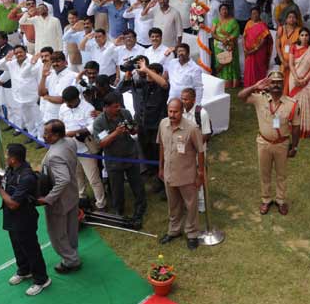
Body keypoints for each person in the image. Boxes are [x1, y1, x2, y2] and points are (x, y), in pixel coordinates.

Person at [0, 143, 51, 297]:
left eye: (7, 155)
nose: (5, 157)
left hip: (24, 218)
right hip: (12, 218)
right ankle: (24, 270)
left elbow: (13, 204)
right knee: (17, 245)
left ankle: (41, 280)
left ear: (13, 159)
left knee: (31, 249)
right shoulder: (12, 170)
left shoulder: (27, 177)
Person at [237, 70, 300, 215]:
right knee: (264, 172)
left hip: (281, 144)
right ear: (268, 84)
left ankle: (281, 200)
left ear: (283, 84)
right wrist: (254, 87)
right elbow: (240, 96)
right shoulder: (260, 98)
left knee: (281, 174)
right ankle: (266, 199)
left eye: (279, 82)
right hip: (263, 143)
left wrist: (294, 147)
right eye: (273, 82)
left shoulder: (292, 104)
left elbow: (296, 127)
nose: (276, 85)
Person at [157, 98, 206, 250]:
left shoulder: (191, 128)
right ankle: (174, 230)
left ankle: (192, 234)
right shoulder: (163, 124)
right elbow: (162, 147)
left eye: (175, 111)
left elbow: (200, 151)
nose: (172, 114)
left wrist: (200, 173)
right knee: (173, 205)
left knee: (191, 205)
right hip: (169, 174)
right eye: (170, 111)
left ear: (182, 111)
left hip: (186, 175)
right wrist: (160, 168)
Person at [93, 92, 147, 227]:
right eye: (115, 107)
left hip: (130, 154)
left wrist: (132, 129)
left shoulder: (125, 113)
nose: (118, 109)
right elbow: (101, 143)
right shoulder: (99, 122)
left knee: (137, 183)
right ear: (106, 107)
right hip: (113, 159)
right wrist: (116, 133)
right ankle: (119, 210)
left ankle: (141, 205)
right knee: (116, 187)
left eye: (119, 106)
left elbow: (135, 130)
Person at [37, 120, 82, 274]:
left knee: (56, 234)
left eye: (46, 133)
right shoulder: (69, 142)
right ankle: (73, 252)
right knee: (71, 229)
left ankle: (70, 260)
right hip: (72, 195)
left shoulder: (54, 156)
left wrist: (48, 198)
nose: (44, 135)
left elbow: (63, 179)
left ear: (56, 135)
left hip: (59, 202)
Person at [57, 86, 106, 211]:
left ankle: (101, 204)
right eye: (66, 102)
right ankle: (81, 199)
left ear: (76, 99)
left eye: (69, 102)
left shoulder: (88, 108)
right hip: (70, 149)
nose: (67, 105)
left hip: (86, 149)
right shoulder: (63, 108)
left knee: (93, 179)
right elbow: (61, 124)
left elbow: (92, 127)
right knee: (77, 176)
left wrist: (75, 132)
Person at [0, 46, 43, 137]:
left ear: (25, 52)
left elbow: (32, 76)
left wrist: (40, 94)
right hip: (19, 97)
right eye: (16, 53)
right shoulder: (12, 64)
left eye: (20, 52)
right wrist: (5, 59)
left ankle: (41, 138)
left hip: (33, 96)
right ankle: (32, 135)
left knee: (38, 118)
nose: (19, 54)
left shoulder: (33, 62)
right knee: (27, 118)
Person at [212, 3, 241, 88]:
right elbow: (213, 33)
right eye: (222, 9)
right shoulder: (216, 20)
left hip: (230, 45)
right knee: (221, 61)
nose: (224, 11)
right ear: (219, 11)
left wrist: (227, 40)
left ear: (228, 11)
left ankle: (233, 84)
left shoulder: (233, 21)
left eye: (226, 9)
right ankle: (221, 83)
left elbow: (236, 33)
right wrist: (221, 40)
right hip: (219, 46)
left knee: (231, 63)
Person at [242, 6, 273, 88]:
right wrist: (245, 48)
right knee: (249, 69)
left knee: (258, 69)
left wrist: (255, 49)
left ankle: (259, 87)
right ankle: (248, 86)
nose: (254, 15)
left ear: (259, 14)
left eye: (256, 13)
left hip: (259, 52)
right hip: (248, 52)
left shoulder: (263, 25)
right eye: (252, 14)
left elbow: (264, 40)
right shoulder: (248, 23)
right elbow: (244, 37)